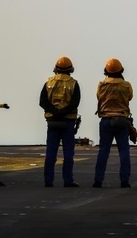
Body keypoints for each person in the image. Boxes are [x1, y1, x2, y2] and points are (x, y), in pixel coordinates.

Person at [39, 56, 82, 188]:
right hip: (67, 121)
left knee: (51, 152)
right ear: (71, 69)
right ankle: (68, 180)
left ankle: (48, 180)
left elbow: (43, 102)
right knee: (68, 153)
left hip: (52, 121)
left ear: (56, 68)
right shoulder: (73, 83)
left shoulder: (48, 83)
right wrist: (63, 112)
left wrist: (55, 112)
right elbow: (75, 103)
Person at [93, 58, 133, 188]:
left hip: (106, 120)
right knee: (124, 151)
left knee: (103, 151)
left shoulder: (102, 85)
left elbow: (99, 97)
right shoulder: (126, 85)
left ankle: (98, 180)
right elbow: (130, 97)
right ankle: (124, 181)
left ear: (106, 71)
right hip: (121, 120)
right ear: (121, 70)